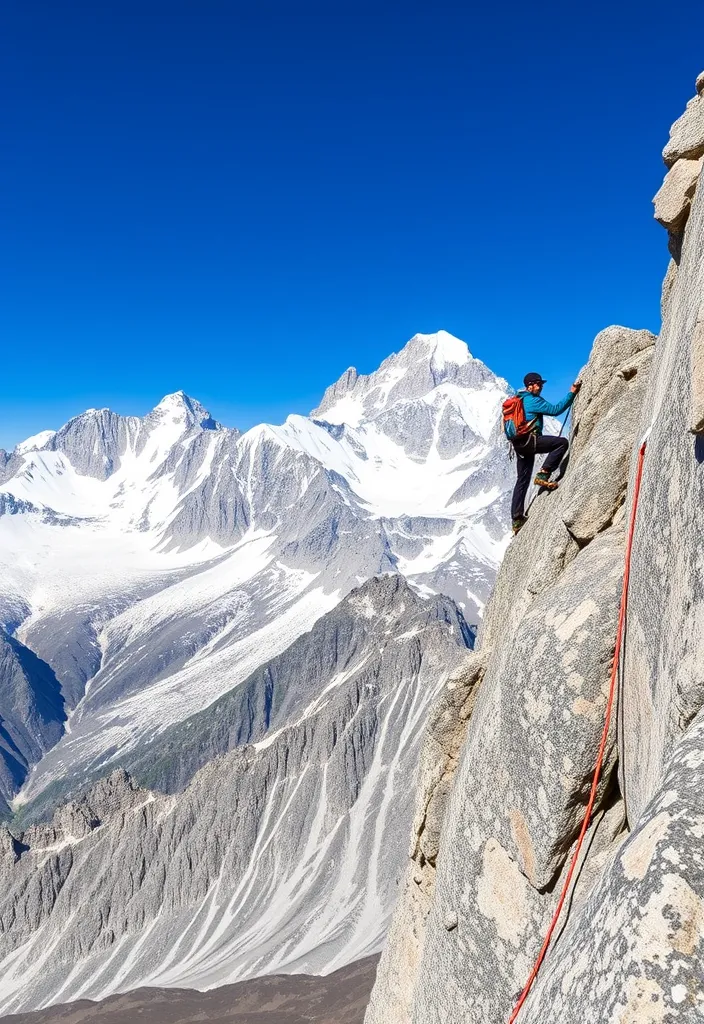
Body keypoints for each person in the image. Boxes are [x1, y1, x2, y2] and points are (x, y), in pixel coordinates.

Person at [510, 372, 581, 534]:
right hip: (531, 440)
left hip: (519, 444)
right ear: (530, 386)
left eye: (540, 384)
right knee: (561, 443)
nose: (541, 387)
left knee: (522, 480)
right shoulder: (532, 400)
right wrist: (572, 393)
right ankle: (544, 473)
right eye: (538, 384)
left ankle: (517, 520)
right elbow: (555, 410)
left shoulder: (518, 400)